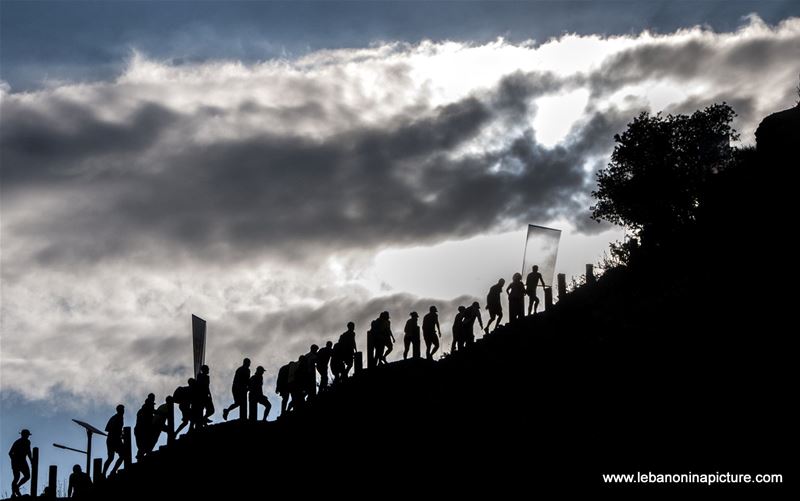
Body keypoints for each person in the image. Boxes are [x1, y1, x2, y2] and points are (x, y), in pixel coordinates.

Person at [9, 429, 32, 497]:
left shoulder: (28, 442)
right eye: (26, 435)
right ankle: (14, 493)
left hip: (22, 461)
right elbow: (10, 453)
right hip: (17, 462)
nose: (27, 436)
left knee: (27, 476)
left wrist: (31, 460)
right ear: (23, 435)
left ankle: (17, 488)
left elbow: (28, 452)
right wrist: (14, 460)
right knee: (16, 477)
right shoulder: (17, 442)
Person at [102, 405, 125, 476]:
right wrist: (121, 434)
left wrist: (121, 434)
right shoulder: (116, 417)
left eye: (123, 410)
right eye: (122, 410)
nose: (123, 411)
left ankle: (110, 472)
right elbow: (112, 429)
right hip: (114, 439)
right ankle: (105, 473)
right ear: (119, 410)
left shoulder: (118, 417)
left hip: (113, 439)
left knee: (114, 457)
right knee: (116, 457)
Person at [134, 394, 156, 459]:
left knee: (143, 446)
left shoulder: (144, 409)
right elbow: (146, 420)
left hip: (141, 430)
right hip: (142, 430)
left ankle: (141, 456)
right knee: (144, 446)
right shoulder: (146, 409)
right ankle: (141, 457)